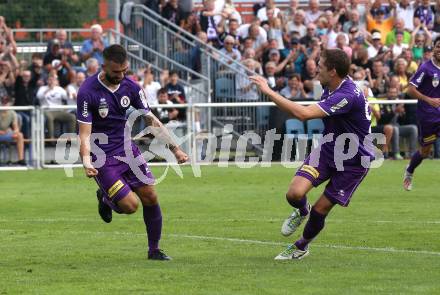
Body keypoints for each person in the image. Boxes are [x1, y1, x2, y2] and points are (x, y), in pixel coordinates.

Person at [250, 49, 373, 260]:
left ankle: (300, 247)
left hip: (354, 161)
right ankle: (301, 210)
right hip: (328, 150)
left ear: (333, 71)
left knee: (321, 208)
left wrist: (268, 91)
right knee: (294, 194)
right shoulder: (333, 83)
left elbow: (303, 114)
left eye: (320, 65)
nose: (316, 68)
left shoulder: (346, 94)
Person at [76, 44, 188, 261]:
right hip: (102, 157)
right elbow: (84, 134)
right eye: (116, 72)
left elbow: (151, 120)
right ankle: (107, 198)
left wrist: (175, 149)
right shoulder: (87, 91)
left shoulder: (132, 87)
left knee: (150, 196)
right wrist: (87, 161)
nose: (120, 75)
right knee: (130, 206)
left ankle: (154, 250)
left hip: (127, 150)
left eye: (124, 70)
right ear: (104, 66)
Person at [403, 37, 440, 191]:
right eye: (438, 46)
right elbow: (410, 89)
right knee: (425, 151)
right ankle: (410, 171)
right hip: (428, 117)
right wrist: (428, 99)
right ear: (434, 48)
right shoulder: (426, 68)